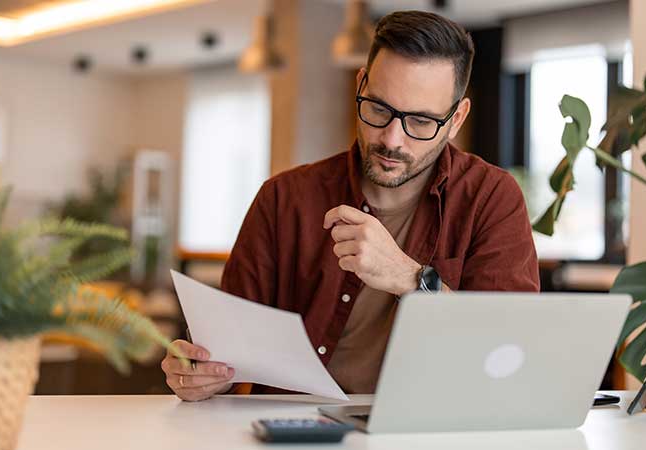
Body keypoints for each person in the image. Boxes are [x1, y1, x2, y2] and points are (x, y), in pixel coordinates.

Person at [161, 10, 539, 402]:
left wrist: (410, 279)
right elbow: (227, 348)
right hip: (292, 429)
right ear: (361, 85)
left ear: (456, 118)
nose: (392, 139)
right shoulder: (283, 199)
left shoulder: (492, 198)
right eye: (378, 109)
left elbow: (508, 351)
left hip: (428, 426)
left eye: (422, 122)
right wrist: (203, 373)